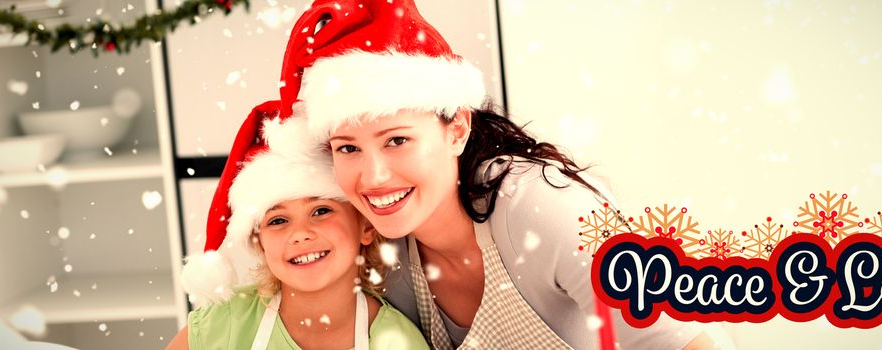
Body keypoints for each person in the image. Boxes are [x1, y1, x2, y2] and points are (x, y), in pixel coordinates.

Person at [271, 0, 722, 349]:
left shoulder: (544, 209)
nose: (373, 176)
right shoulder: (378, 248)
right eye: (348, 148)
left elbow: (684, 343)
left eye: (397, 140)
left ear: (457, 130)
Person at [166, 100, 428, 350]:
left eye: (321, 211)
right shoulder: (221, 325)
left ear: (366, 227)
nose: (300, 234)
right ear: (259, 242)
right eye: (278, 220)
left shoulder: (396, 341)